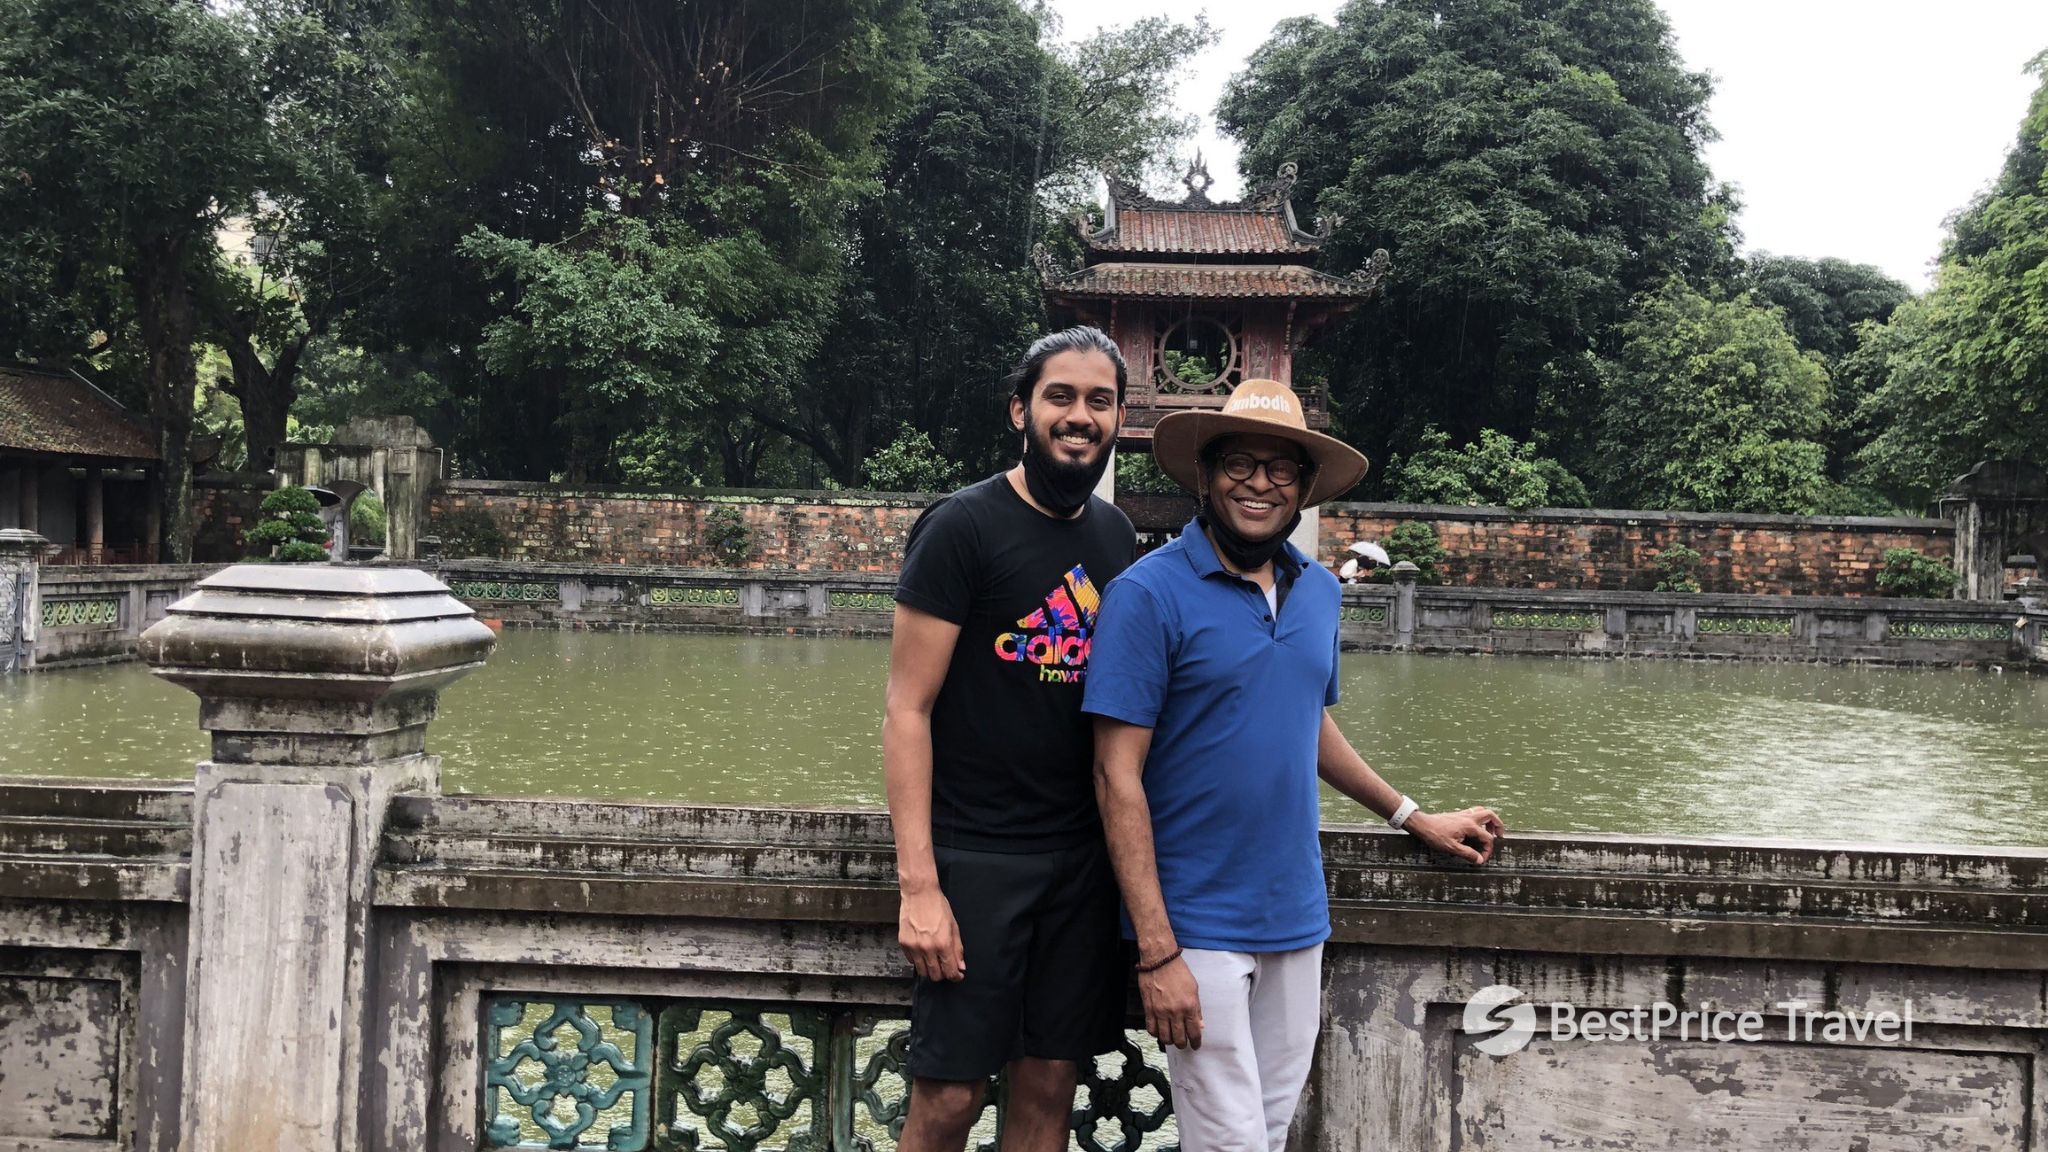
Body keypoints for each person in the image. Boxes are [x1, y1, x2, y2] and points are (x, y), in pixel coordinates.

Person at [1083, 378, 1506, 1152]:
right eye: (1240, 462)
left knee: (1268, 1133)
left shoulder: (1318, 593)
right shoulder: (1146, 595)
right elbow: (1116, 775)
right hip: (1195, 924)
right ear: (1205, 476)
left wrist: (1411, 815)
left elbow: (1305, 722)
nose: (1260, 483)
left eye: (1282, 469)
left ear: (1305, 489)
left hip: (1295, 913)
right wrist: (1156, 947)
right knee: (1230, 1144)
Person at [883, 326, 1138, 1152]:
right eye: (1059, 396)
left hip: (1079, 863)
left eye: (1098, 400)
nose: (1079, 416)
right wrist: (920, 886)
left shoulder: (1114, 539)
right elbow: (906, 710)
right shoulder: (962, 527)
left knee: (1049, 1087)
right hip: (978, 858)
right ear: (1019, 410)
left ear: (1118, 420)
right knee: (951, 1095)